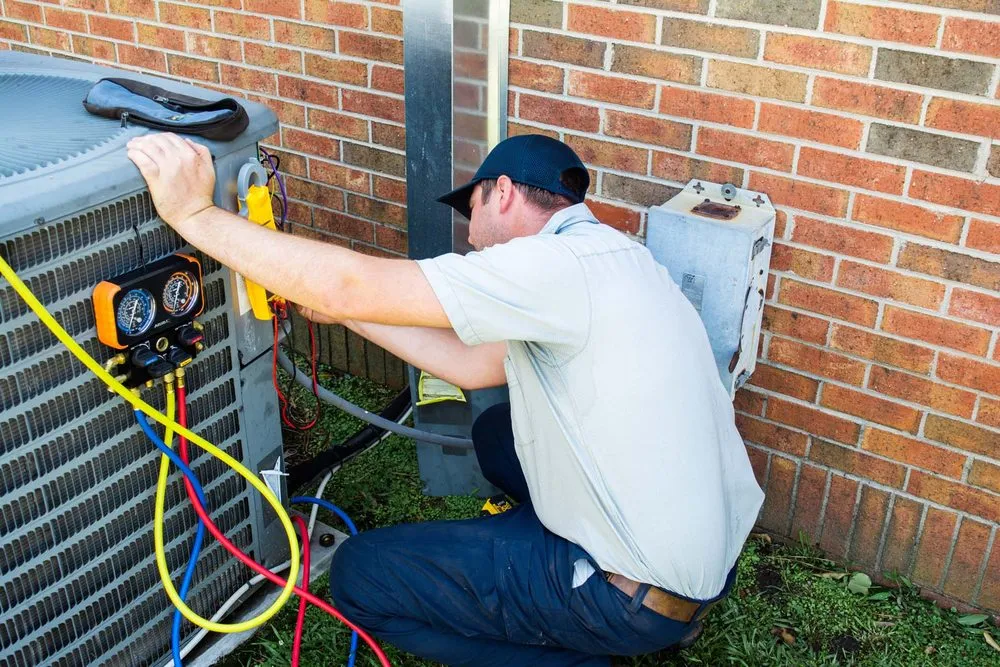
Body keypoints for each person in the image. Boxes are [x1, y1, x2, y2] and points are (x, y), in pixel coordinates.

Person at [127, 132, 765, 666]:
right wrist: (345, 314)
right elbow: (475, 363)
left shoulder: (549, 268)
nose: (472, 237)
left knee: (359, 579)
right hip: (705, 560)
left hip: (632, 592)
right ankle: (637, 606)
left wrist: (196, 216)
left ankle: (580, 648)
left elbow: (350, 282)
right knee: (496, 435)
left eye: (474, 213)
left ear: (504, 192)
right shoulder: (615, 260)